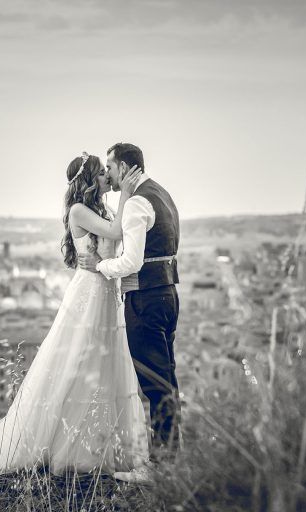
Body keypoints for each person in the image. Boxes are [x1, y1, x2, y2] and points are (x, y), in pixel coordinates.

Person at [0, 152, 148, 486]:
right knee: (79, 360)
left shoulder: (97, 209)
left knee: (100, 364)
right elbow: (117, 231)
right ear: (88, 180)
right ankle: (72, 448)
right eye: (101, 172)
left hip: (103, 290)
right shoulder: (79, 211)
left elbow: (113, 238)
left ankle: (101, 447)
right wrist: (129, 192)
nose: (106, 176)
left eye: (107, 171)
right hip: (89, 292)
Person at [79, 142, 181, 484]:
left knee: (155, 386)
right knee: (167, 381)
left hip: (145, 299)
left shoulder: (138, 202)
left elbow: (131, 261)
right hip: (168, 295)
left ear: (123, 167)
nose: (107, 174)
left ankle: (160, 468)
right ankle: (171, 462)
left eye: (110, 167)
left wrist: (100, 265)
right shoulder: (162, 194)